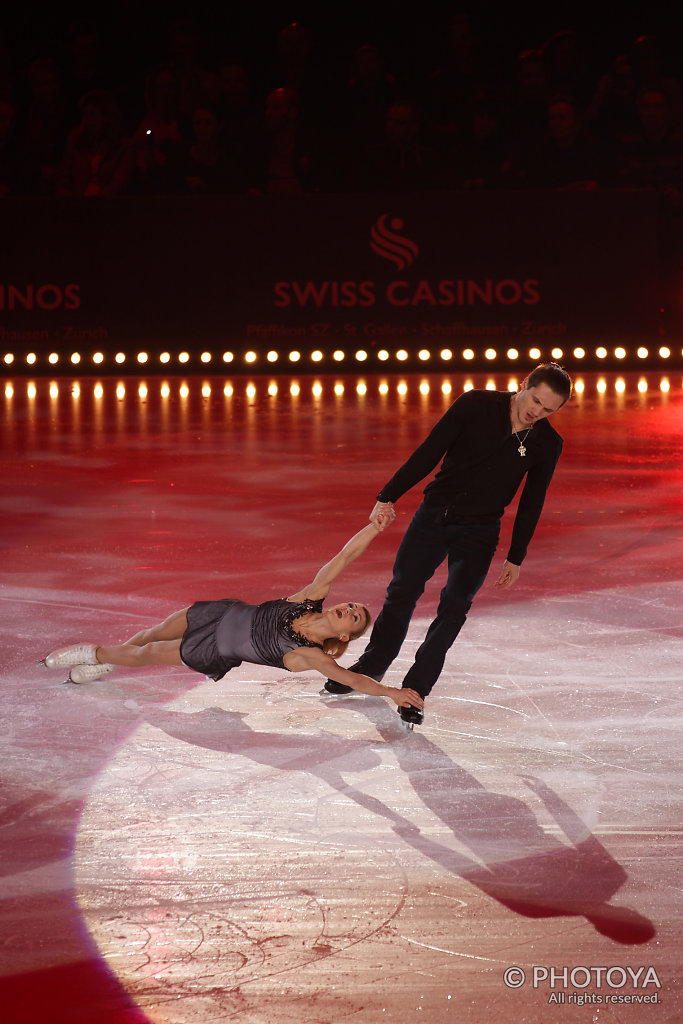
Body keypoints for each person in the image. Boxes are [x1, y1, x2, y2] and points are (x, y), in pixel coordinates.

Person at [325, 363, 573, 728]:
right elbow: (429, 452)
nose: (536, 411)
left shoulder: (547, 444)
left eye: (548, 409)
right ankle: (374, 665)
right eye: (535, 400)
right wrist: (388, 496)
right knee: (402, 591)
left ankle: (416, 691)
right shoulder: (476, 405)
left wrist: (515, 556)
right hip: (434, 516)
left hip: (480, 532)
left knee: (454, 608)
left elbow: (532, 502)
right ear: (523, 385)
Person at [41, 519, 424, 716]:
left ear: (345, 636)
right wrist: (374, 528)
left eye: (355, 618)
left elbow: (351, 677)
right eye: (354, 606)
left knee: (148, 652)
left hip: (216, 647)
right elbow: (344, 557)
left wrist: (391, 693)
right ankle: (105, 665)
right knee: (148, 633)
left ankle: (91, 655)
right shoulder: (310, 599)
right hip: (221, 611)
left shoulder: (311, 655)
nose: (351, 609)